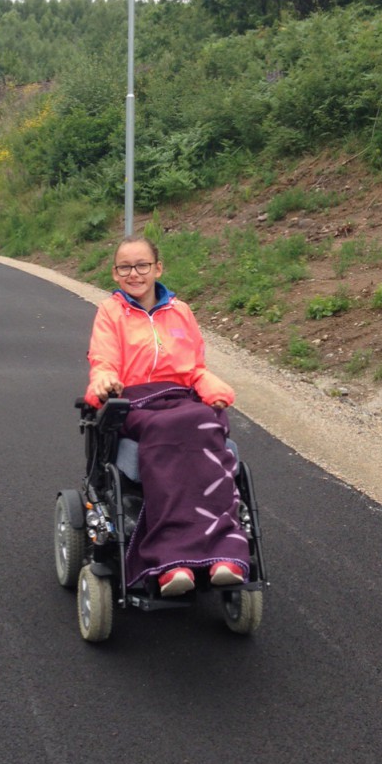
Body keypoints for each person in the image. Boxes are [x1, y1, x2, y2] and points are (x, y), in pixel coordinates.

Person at [85, 235, 250, 597]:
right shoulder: (110, 312)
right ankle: (172, 560)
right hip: (135, 403)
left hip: (182, 398)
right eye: (125, 267)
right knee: (170, 427)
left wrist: (211, 386)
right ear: (115, 273)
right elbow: (103, 360)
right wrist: (104, 380)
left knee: (206, 423)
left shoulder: (182, 311)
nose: (134, 273)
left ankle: (226, 554)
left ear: (157, 268)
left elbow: (195, 367)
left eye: (142, 265)